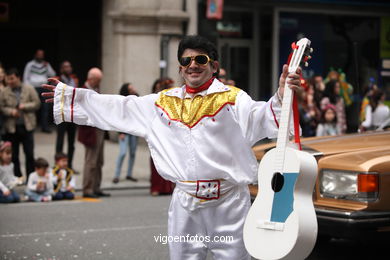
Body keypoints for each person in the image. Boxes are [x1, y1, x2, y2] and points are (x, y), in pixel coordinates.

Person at [42, 35, 301, 260]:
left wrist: (281, 95)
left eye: (200, 59)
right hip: (185, 204)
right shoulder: (162, 103)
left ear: (214, 65)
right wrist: (71, 98)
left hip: (230, 204)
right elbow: (120, 108)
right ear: (180, 68)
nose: (192, 66)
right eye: (186, 61)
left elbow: (264, 117)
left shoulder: (233, 99)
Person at [0, 68, 40, 180]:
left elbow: (37, 103)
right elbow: (1, 107)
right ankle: (17, 178)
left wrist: (25, 106)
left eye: (12, 78)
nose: (10, 81)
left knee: (29, 154)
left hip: (27, 126)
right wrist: (11, 112)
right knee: (13, 155)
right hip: (12, 128)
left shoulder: (29, 88)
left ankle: (31, 178)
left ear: (18, 78)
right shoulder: (4, 91)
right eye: (8, 79)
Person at [76, 67, 110, 198]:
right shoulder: (82, 90)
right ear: (91, 78)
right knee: (91, 161)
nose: (99, 83)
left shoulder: (96, 89)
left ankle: (96, 187)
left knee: (99, 161)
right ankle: (87, 188)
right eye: (98, 80)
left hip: (99, 128)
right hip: (90, 130)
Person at [149, 78, 175, 196]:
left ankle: (167, 187)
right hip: (156, 134)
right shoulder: (152, 99)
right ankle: (156, 187)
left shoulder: (172, 101)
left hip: (168, 134)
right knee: (156, 161)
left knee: (169, 161)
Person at [23, 49, 56, 133]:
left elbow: (52, 74)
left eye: (42, 55)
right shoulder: (30, 64)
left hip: (43, 87)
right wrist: (27, 88)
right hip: (33, 88)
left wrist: (47, 66)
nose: (40, 56)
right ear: (35, 55)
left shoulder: (46, 64)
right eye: (39, 54)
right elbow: (25, 77)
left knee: (45, 108)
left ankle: (44, 127)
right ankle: (31, 126)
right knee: (33, 107)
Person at [54, 61, 79, 170]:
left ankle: (69, 165)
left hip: (71, 115)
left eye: (69, 66)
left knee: (71, 143)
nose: (68, 68)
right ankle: (58, 165)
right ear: (61, 69)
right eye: (65, 67)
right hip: (62, 114)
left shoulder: (74, 80)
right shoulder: (58, 80)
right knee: (60, 141)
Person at [113, 83, 139, 184]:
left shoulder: (137, 98)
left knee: (132, 153)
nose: (133, 90)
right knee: (122, 153)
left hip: (134, 130)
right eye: (130, 89)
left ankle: (129, 174)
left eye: (133, 88)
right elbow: (119, 117)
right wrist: (120, 132)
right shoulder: (121, 101)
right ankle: (116, 175)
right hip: (124, 131)